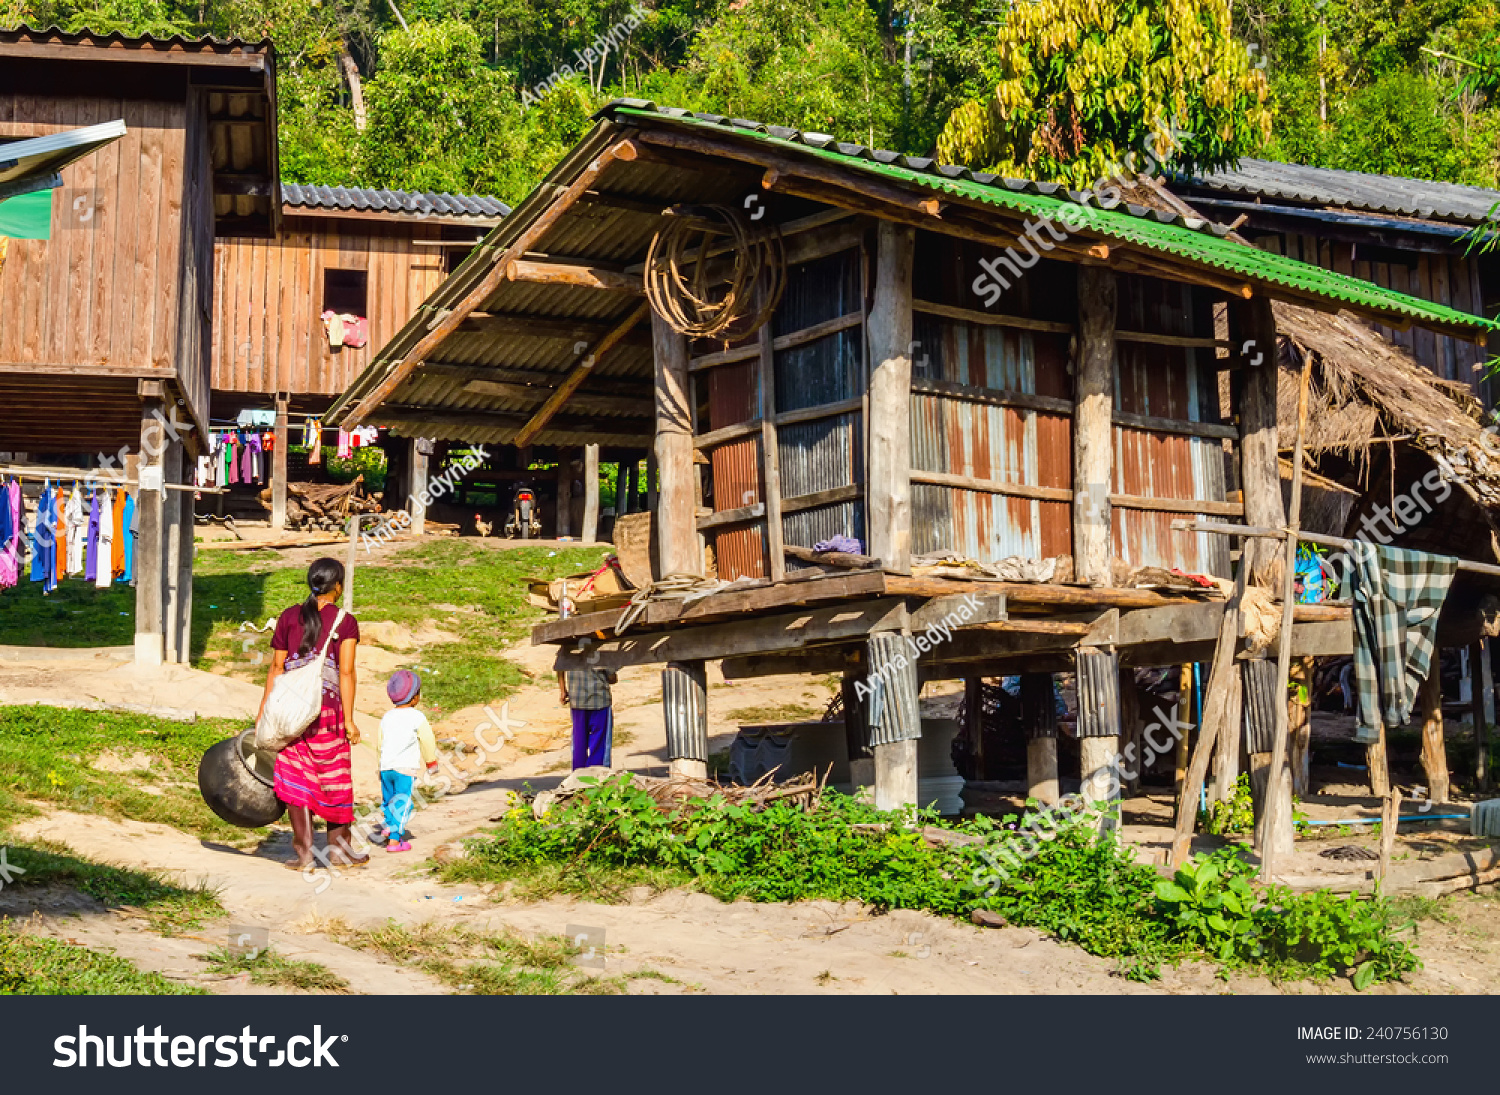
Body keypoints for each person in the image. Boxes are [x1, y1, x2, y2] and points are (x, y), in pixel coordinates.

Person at [258, 557, 367, 870]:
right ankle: (339, 852)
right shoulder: (345, 621)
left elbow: (277, 667)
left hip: (291, 713)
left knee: (296, 778)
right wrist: (348, 720)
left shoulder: (289, 616)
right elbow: (346, 672)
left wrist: (265, 710)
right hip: (327, 714)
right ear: (337, 586)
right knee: (335, 780)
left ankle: (304, 855)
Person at [375, 668, 438, 853]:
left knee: (388, 800)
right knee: (403, 803)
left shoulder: (387, 717)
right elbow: (427, 740)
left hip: (386, 768)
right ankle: (395, 840)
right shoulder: (417, 717)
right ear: (414, 697)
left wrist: (379, 766)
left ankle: (389, 825)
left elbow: (380, 743)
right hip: (404, 769)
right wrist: (431, 761)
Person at [560, 664, 617, 769]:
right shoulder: (602, 650)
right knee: (600, 744)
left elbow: (559, 666)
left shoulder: (568, 649)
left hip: (577, 701)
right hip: (600, 701)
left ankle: (578, 777)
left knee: (579, 743)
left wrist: (563, 689)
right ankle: (598, 777)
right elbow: (611, 677)